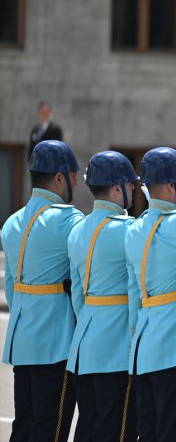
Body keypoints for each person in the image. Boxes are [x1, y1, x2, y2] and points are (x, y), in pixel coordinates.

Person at [1, 140, 82, 441]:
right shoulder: (69, 221)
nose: (76, 181)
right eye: (73, 174)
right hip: (56, 343)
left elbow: (11, 288)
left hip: (22, 341)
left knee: (23, 425)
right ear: (59, 178)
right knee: (52, 430)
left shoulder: (11, 224)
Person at [66, 151, 138, 441]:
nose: (133, 189)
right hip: (116, 346)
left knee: (88, 425)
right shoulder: (130, 230)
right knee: (116, 429)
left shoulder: (76, 231)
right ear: (117, 188)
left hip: (85, 343)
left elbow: (76, 296)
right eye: (131, 184)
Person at [126, 147, 176, 441]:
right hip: (174, 344)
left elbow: (133, 296)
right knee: (174, 431)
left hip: (142, 345)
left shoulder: (133, 230)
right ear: (171, 186)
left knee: (148, 431)